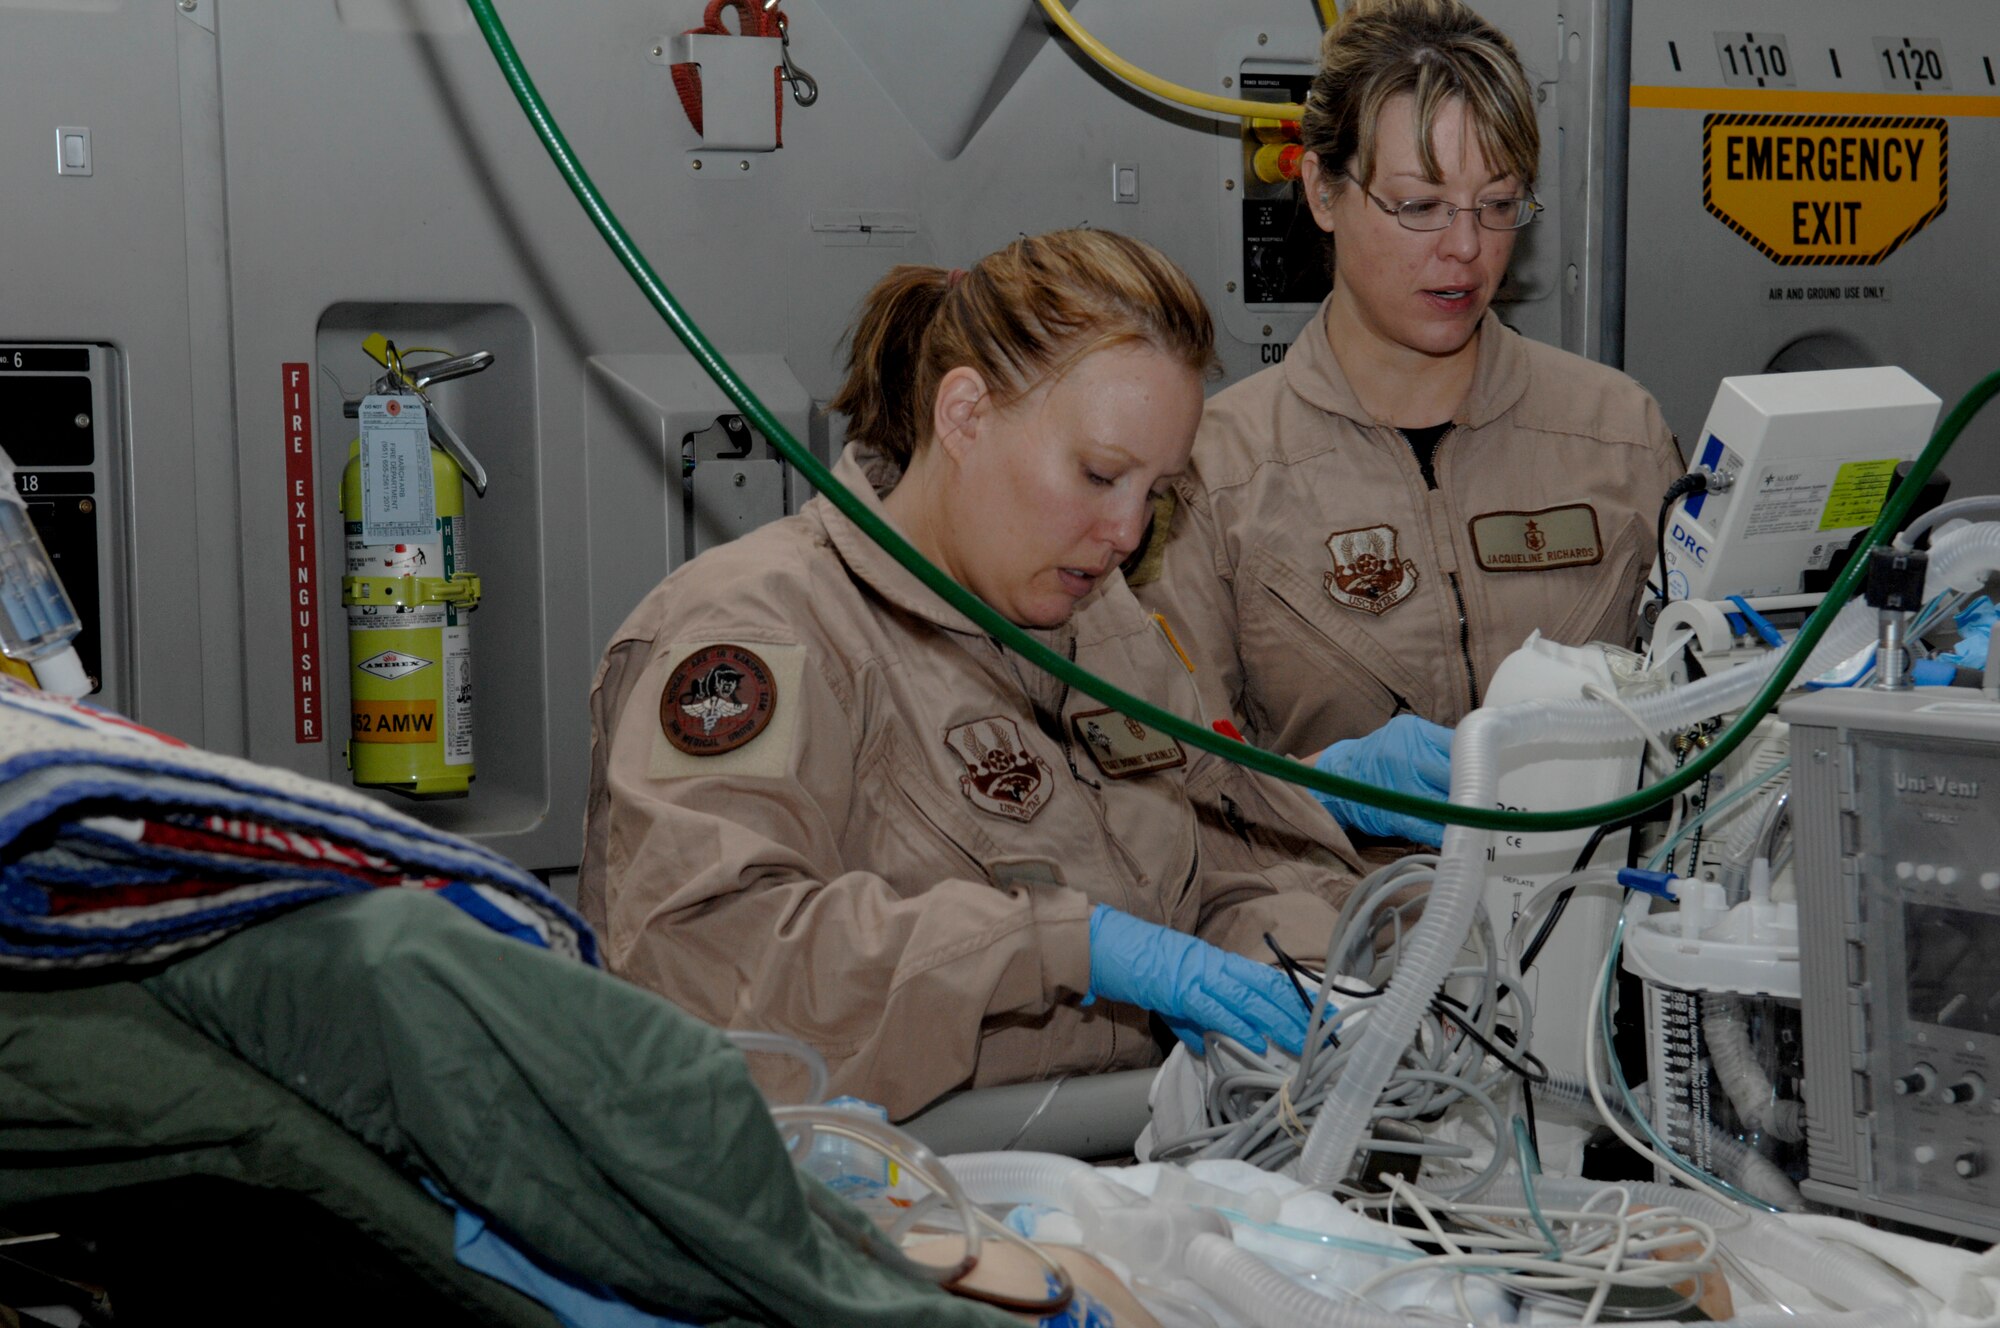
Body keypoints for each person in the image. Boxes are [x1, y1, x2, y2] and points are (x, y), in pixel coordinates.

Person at [581, 230, 1363, 1121]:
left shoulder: (1102, 626)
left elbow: (1230, 862)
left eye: (1156, 493)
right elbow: (707, 966)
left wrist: (1292, 979)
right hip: (862, 1203)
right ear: (963, 415)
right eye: (1101, 474)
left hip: (1120, 1172)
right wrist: (1056, 945)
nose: (1127, 533)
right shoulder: (758, 631)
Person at [1137, 0, 1682, 846]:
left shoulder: (1618, 436)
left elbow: (1710, 713)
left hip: (1588, 937)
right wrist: (1319, 791)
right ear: (1323, 190)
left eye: (1498, 204)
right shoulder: (1215, 473)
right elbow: (1166, 800)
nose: (1466, 248)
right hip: (1342, 949)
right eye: (1420, 206)